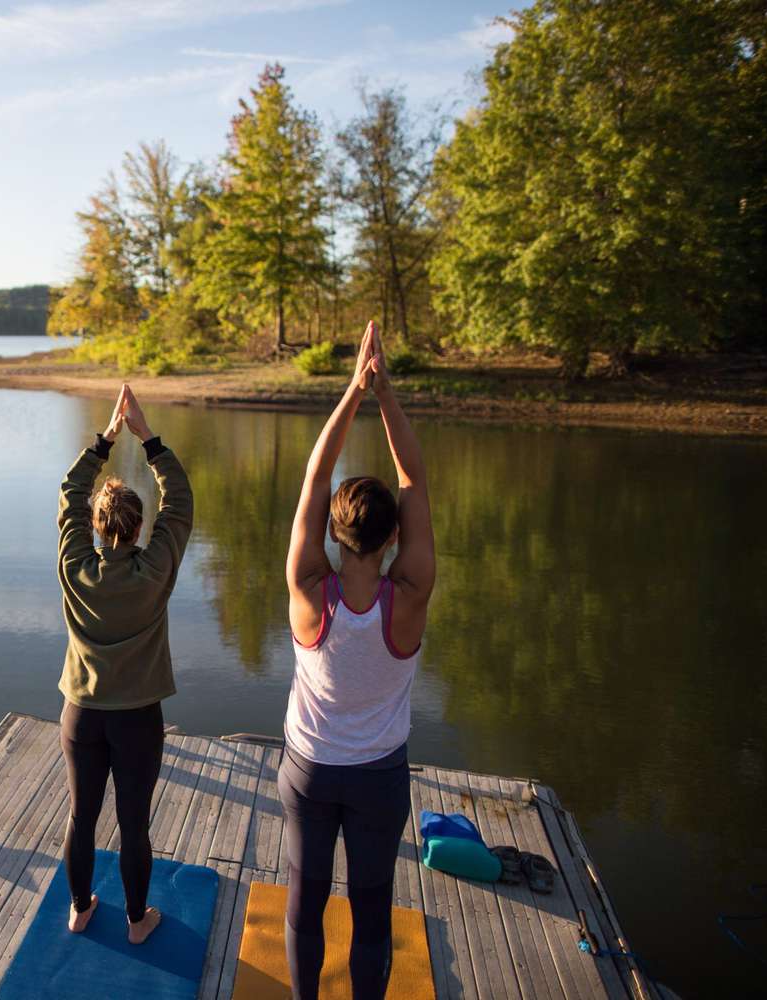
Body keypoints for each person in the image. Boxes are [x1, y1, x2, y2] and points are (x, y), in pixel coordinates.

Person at [279, 321, 435, 998]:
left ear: (334, 534)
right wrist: (385, 394)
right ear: (393, 535)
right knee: (373, 913)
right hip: (378, 778)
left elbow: (316, 479)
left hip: (310, 772)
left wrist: (351, 392)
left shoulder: (310, 592)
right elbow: (415, 479)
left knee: (305, 904)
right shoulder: (409, 598)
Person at [56, 383, 193, 945]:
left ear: (94, 527)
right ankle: (138, 922)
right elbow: (180, 502)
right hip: (138, 719)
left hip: (81, 715)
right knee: (133, 823)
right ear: (139, 528)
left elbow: (70, 492)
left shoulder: (75, 565)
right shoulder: (154, 567)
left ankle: (80, 909)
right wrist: (147, 439)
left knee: (80, 817)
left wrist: (104, 442)